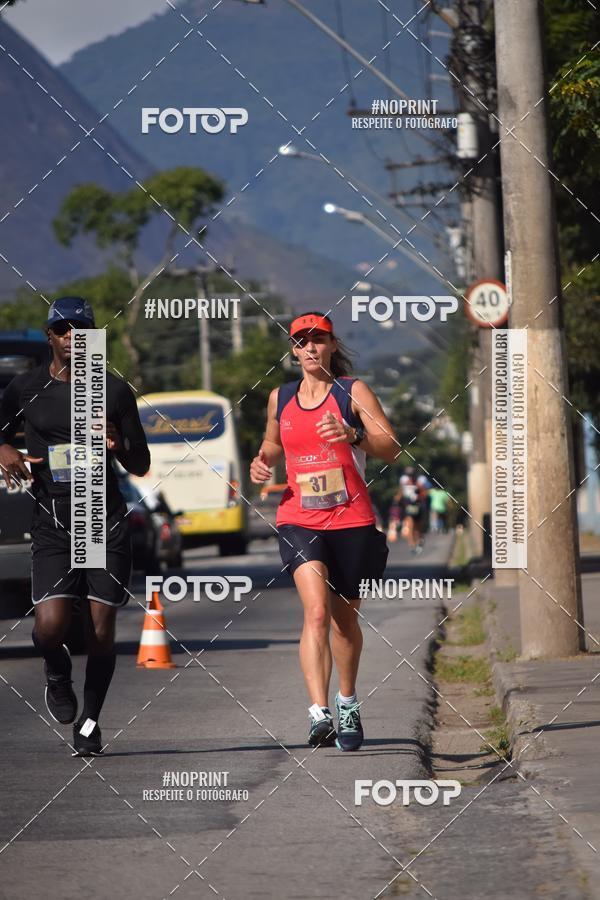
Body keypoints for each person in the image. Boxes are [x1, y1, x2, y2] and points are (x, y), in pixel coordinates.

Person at [0, 297, 150, 756]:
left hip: (102, 516)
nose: (72, 336)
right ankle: (55, 668)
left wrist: (118, 444)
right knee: (50, 626)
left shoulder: (114, 391)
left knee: (101, 630)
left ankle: (90, 722)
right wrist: (5, 450)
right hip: (53, 519)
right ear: (50, 336)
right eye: (63, 329)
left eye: (81, 330)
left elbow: (140, 463)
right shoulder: (25, 388)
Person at [250, 311, 398, 751]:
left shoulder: (353, 392)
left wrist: (352, 434)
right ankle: (319, 713)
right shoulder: (281, 397)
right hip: (299, 518)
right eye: (302, 342)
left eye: (318, 340)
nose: (310, 348)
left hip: (351, 519)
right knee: (315, 612)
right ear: (293, 351)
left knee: (344, 622)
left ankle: (347, 701)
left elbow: (390, 447)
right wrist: (263, 461)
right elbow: (273, 442)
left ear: (333, 345)